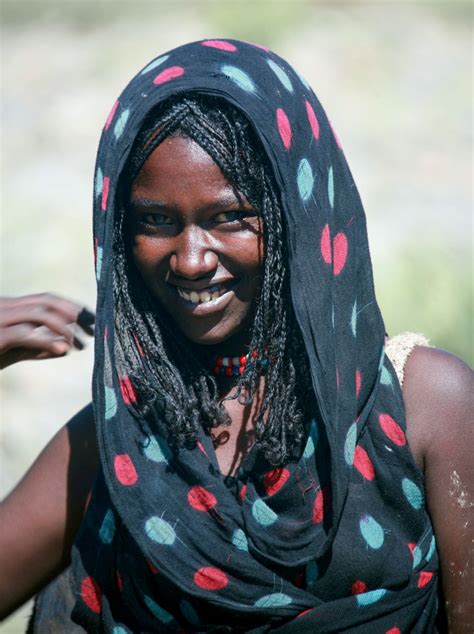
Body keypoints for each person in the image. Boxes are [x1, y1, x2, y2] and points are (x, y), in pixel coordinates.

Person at [0, 39, 472, 633]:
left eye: (230, 217)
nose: (192, 260)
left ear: (297, 215)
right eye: (155, 221)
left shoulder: (425, 409)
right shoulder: (118, 444)